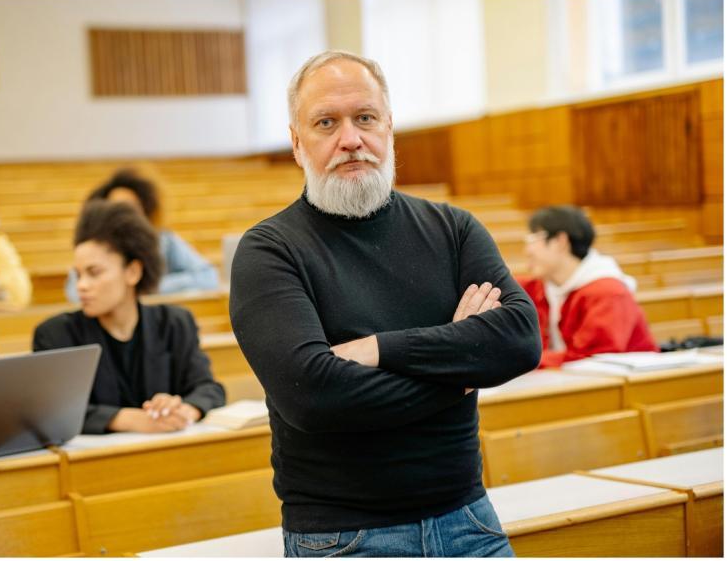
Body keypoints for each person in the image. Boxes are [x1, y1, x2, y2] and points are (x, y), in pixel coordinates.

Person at [229, 51, 541, 557]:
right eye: (326, 123)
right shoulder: (269, 250)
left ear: (389, 128)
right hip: (343, 536)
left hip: (469, 519)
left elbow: (521, 340)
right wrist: (461, 372)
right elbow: (314, 396)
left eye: (365, 118)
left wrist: (377, 349)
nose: (351, 139)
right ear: (296, 143)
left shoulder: (454, 229)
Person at [34, 200, 225, 434]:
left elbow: (209, 389)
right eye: (78, 275)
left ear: (133, 272)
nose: (81, 285)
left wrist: (182, 410)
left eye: (94, 273)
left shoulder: (175, 323)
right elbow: (51, 410)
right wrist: (125, 419)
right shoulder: (55, 334)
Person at [518, 205, 659, 368]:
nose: (527, 251)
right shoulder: (540, 286)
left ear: (560, 241)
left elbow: (592, 358)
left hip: (623, 380)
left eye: (533, 239)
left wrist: (518, 362)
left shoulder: (608, 292)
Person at [64, 170, 219, 302]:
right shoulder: (94, 247)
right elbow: (74, 292)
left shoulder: (165, 241)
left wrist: (148, 287)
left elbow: (207, 276)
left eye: (131, 208)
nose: (124, 215)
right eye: (116, 208)